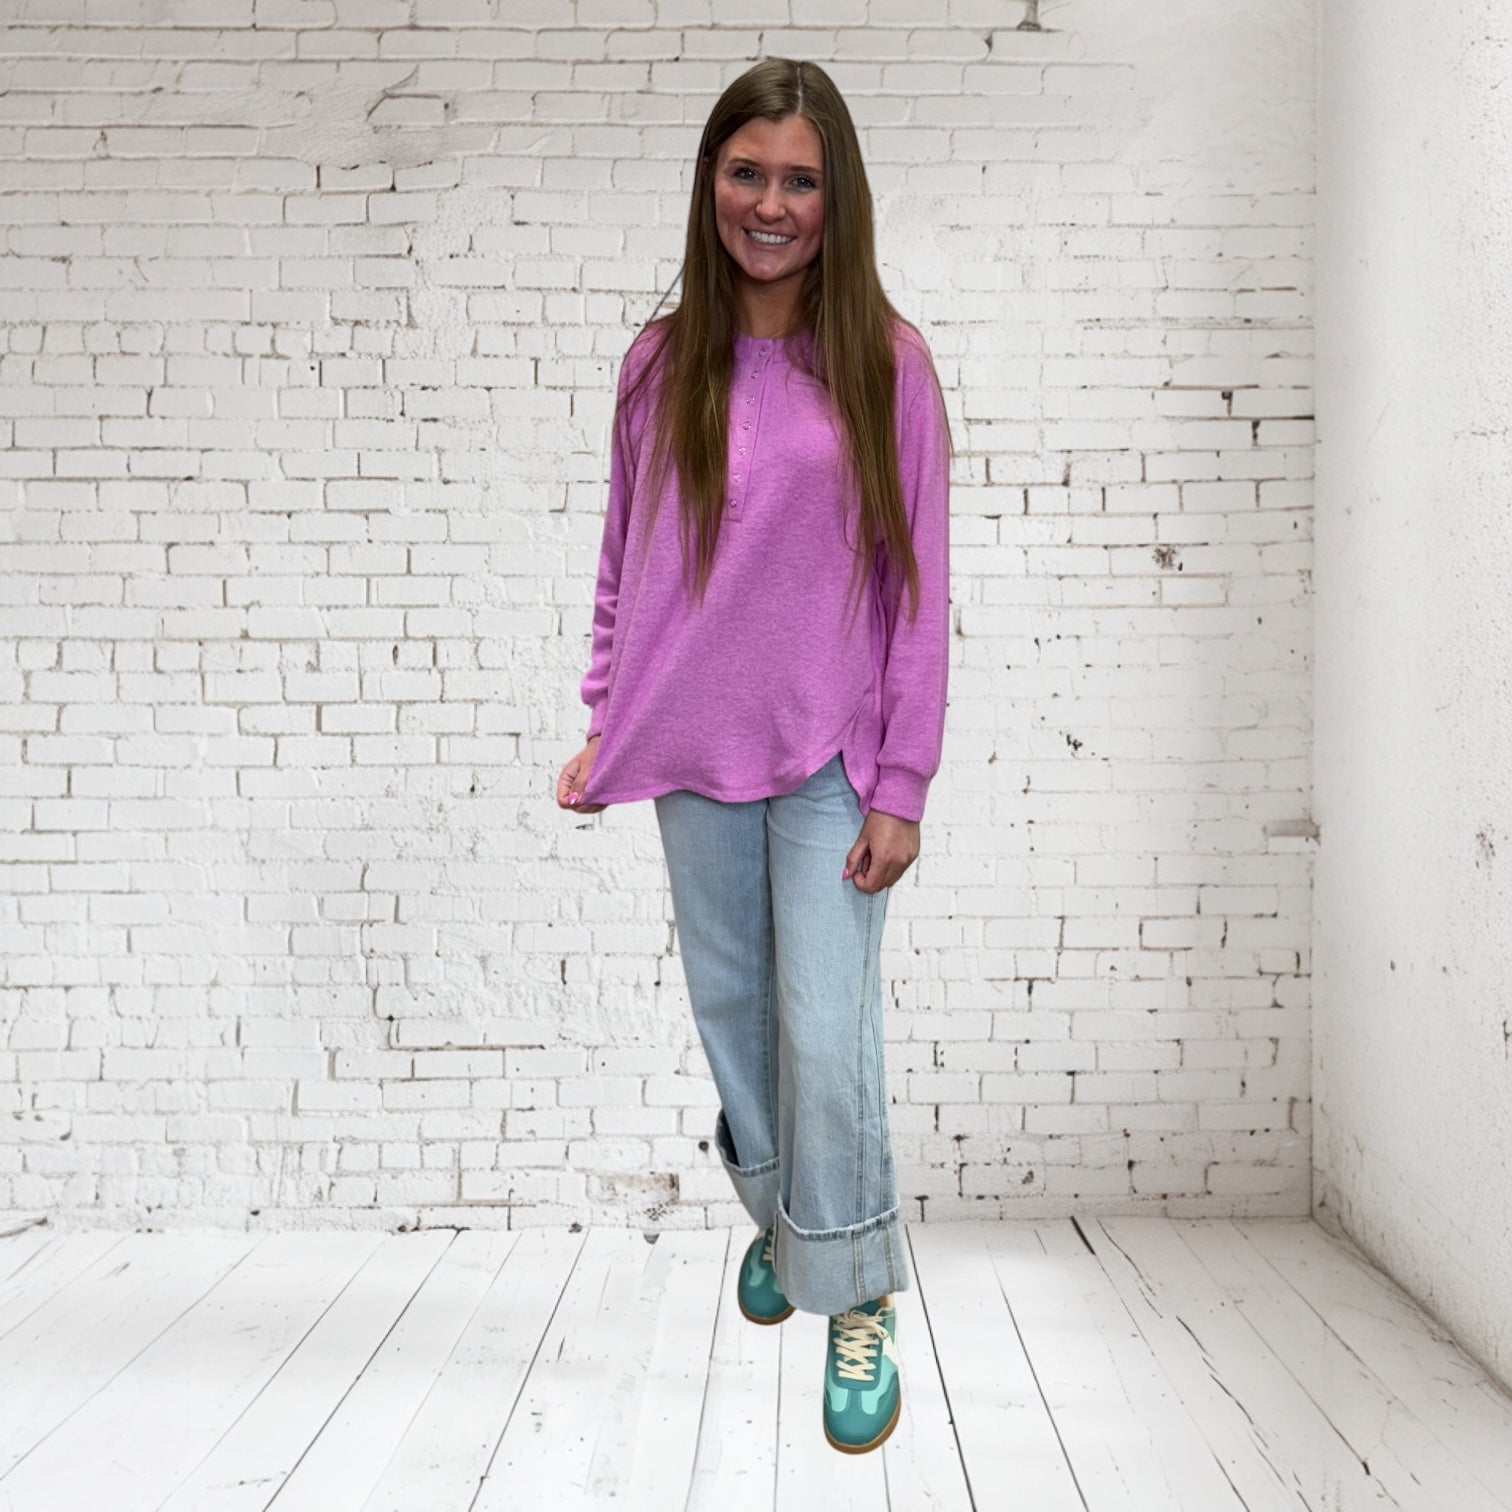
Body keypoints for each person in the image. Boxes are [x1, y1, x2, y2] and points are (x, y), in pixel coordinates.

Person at [555, 56, 951, 1457]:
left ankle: (853, 1289)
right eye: (746, 173)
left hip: (833, 753)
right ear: (710, 182)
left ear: (837, 199)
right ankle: (794, 1222)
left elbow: (916, 584)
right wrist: (606, 711)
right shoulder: (658, 364)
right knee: (736, 1020)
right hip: (690, 743)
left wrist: (902, 782)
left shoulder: (887, 365)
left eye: (799, 180)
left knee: (826, 1037)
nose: (770, 204)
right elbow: (626, 557)